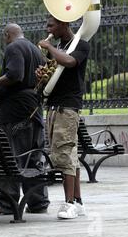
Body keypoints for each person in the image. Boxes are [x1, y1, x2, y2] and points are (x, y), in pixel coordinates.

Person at [0, 23, 50, 215]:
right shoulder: (35, 49)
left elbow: (15, 74)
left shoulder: (13, 47)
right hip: (33, 108)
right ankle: (38, 202)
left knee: (10, 155)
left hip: (15, 112)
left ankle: (6, 203)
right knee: (32, 156)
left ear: (7, 35)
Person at [37, 15, 90, 219]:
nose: (47, 28)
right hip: (55, 106)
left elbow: (69, 62)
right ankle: (78, 202)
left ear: (64, 24)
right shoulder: (60, 46)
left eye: (51, 25)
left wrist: (49, 48)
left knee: (65, 154)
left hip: (67, 107)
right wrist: (42, 75)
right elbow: (55, 74)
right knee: (71, 156)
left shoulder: (81, 45)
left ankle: (68, 203)